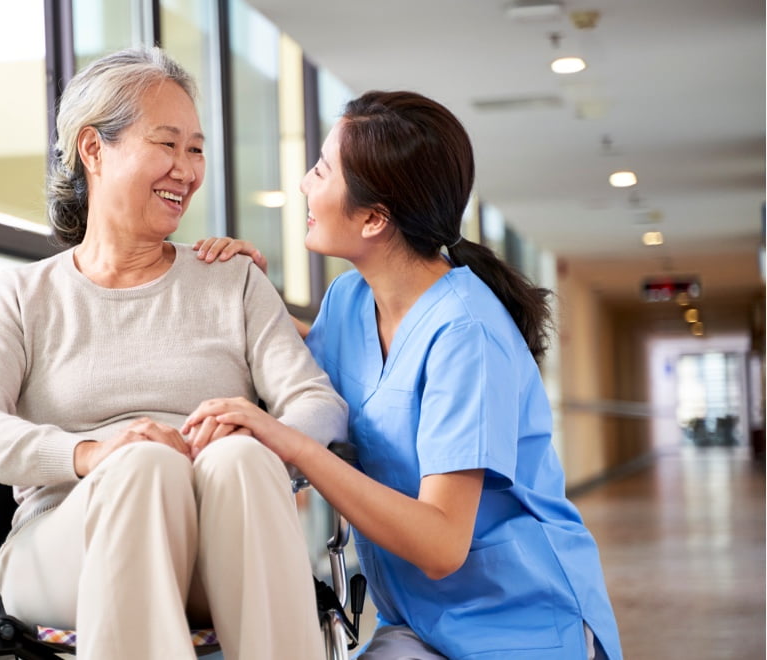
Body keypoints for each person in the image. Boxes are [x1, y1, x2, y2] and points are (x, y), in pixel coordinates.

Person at [0, 47, 347, 660]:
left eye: (197, 149)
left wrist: (261, 431)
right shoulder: (22, 296)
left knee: (238, 455)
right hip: (66, 548)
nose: (186, 169)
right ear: (93, 149)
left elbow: (321, 406)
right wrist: (91, 453)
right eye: (167, 144)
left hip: (221, 547)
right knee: (143, 466)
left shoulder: (232, 280)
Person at [184, 90, 623, 659]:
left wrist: (290, 442)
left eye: (321, 170)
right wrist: (245, 293)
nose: (304, 184)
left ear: (373, 219)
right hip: (423, 622)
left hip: (522, 626)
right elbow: (304, 369)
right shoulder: (348, 301)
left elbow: (441, 542)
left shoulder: (466, 334)